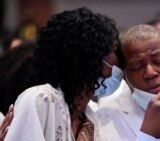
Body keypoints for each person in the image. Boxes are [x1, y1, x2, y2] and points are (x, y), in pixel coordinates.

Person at [4, 7, 123, 141]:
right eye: (112, 49)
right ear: (90, 57)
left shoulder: (92, 113)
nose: (117, 59)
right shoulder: (41, 99)